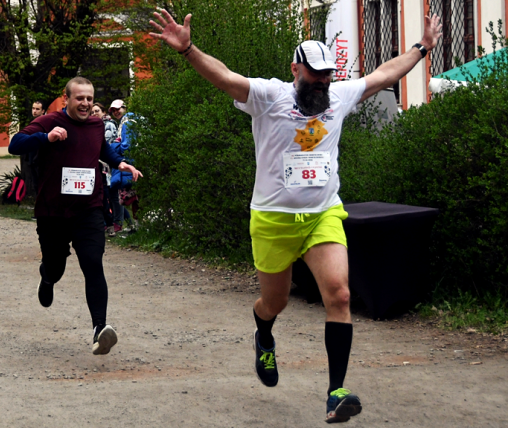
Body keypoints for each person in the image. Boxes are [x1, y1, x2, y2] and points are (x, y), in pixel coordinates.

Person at [149, 9, 442, 423]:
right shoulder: (269, 96)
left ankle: (336, 392)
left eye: (327, 75)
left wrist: (422, 47)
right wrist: (188, 50)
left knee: (339, 295)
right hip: (273, 219)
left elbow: (383, 75)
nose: (321, 82)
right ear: (295, 69)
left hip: (322, 214)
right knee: (276, 301)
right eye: (314, 74)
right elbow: (226, 78)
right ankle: (263, 333)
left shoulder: (338, 97)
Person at [8, 76, 143, 355]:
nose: (85, 103)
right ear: (66, 98)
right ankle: (47, 277)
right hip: (53, 212)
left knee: (93, 263)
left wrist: (121, 163)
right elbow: (15, 144)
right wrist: (46, 138)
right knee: (55, 266)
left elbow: (102, 149)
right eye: (79, 98)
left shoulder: (96, 125)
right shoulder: (49, 121)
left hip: (88, 209)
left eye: (89, 99)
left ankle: (99, 329)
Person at [108, 99, 136, 232]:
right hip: (134, 162)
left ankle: (137, 227)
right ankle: (136, 226)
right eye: (113, 110)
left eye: (118, 109)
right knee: (133, 197)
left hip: (132, 163)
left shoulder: (127, 122)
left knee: (134, 197)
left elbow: (126, 146)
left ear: (125, 108)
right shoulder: (129, 121)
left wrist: (114, 146)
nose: (115, 112)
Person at [91, 102, 119, 236]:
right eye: (92, 112)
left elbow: (105, 147)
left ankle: (114, 223)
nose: (94, 114)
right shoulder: (93, 125)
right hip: (99, 165)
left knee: (109, 196)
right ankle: (109, 223)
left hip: (107, 166)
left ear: (103, 112)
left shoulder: (107, 125)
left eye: (97, 111)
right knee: (105, 196)